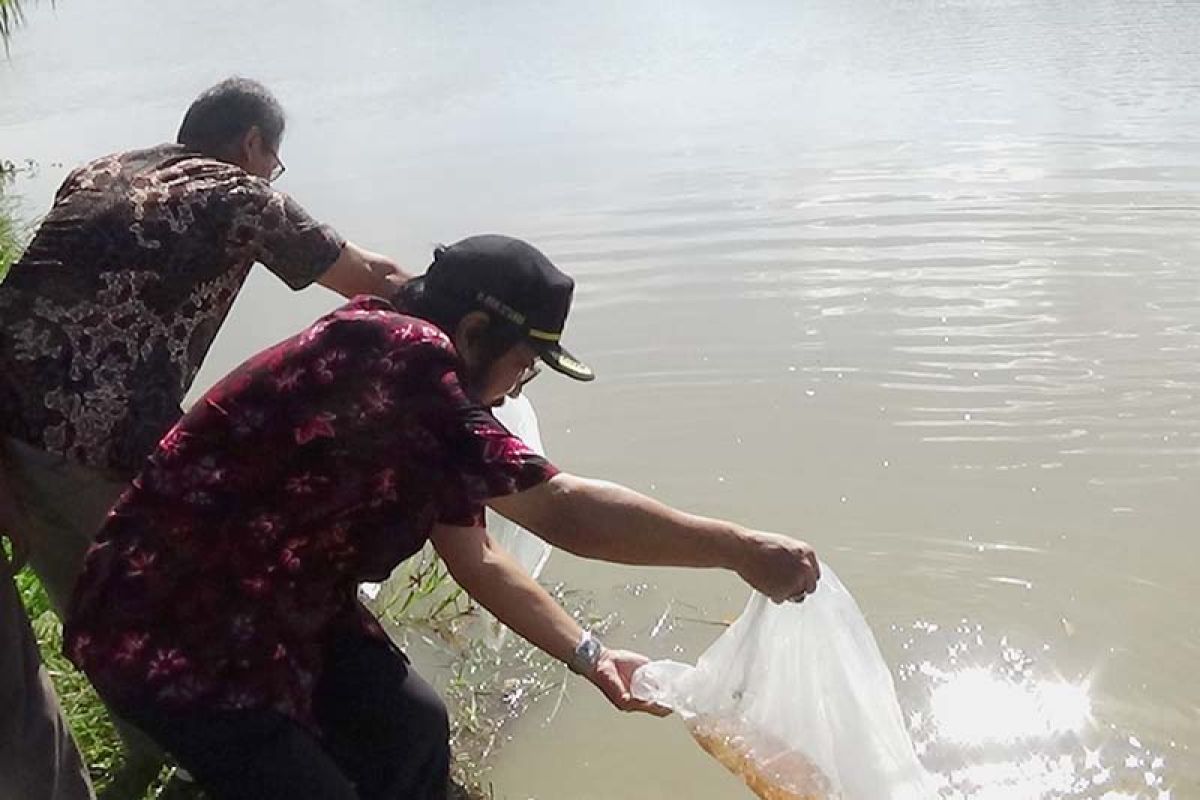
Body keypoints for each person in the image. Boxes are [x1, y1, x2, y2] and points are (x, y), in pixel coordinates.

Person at [62, 234, 821, 800]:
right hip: (166, 622)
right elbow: (559, 509)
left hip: (278, 611)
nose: (515, 390)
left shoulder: (425, 406)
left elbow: (476, 555)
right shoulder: (396, 352)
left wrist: (592, 657)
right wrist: (738, 547)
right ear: (475, 334)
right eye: (521, 365)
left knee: (412, 729)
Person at [0, 77, 409, 800]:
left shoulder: (103, 168)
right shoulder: (238, 194)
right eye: (273, 160)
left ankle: (154, 750)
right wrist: (453, 308)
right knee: (182, 606)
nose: (270, 175)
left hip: (14, 430)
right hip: (96, 440)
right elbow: (364, 276)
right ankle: (224, 761)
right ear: (252, 143)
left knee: (90, 609)